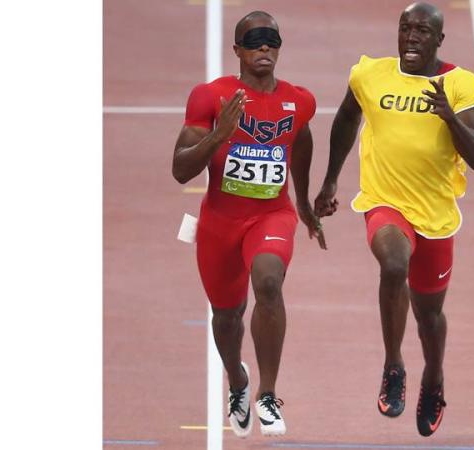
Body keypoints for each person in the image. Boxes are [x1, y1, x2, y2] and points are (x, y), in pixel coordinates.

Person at [314, 2, 474, 437]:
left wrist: (450, 117)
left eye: (422, 31)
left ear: (438, 40)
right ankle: (394, 366)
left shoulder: (462, 85)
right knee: (393, 265)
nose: (411, 36)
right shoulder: (370, 75)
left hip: (436, 215)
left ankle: (433, 378)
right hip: (384, 201)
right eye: (405, 28)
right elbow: (346, 119)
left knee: (430, 317)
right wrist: (332, 181)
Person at [172, 10, 324, 438]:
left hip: (271, 215)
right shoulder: (210, 96)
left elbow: (302, 138)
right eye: (254, 41)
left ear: (279, 48)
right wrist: (218, 137)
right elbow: (180, 170)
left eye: (271, 41)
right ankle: (237, 381)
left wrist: (305, 201)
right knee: (227, 316)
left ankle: (268, 394)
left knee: (269, 282)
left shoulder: (300, 100)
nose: (263, 48)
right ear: (237, 49)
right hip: (220, 222)